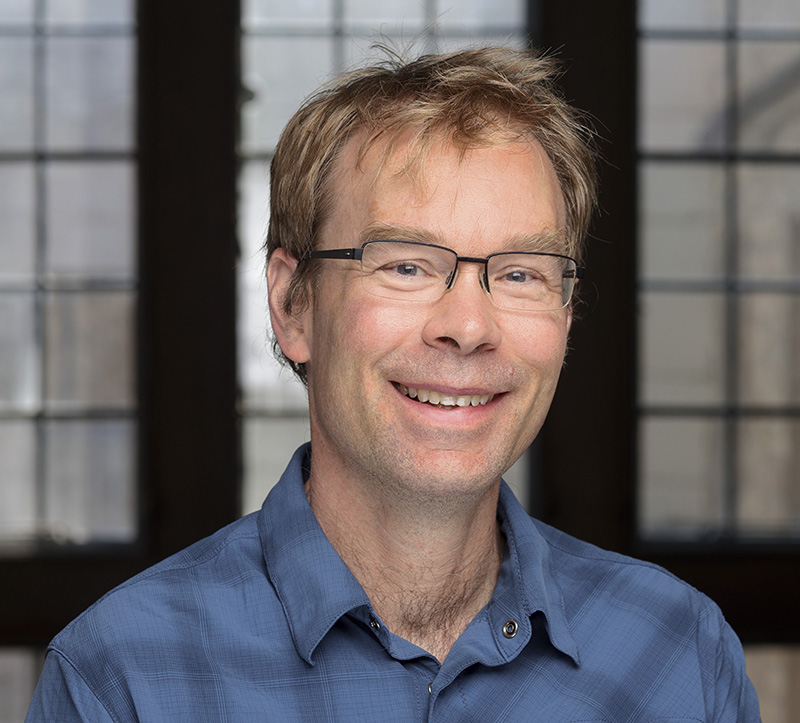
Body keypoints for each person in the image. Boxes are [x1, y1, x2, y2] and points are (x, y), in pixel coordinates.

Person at [27, 47, 760, 721]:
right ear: (293, 304)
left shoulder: (680, 656)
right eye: (405, 264)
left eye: (519, 273)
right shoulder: (120, 679)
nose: (468, 325)